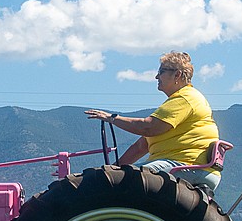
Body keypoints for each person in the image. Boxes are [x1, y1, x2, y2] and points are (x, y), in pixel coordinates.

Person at [85, 51, 221, 191]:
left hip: (186, 166)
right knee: (115, 178)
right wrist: (112, 170)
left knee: (123, 181)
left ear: (177, 75)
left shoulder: (184, 99)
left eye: (161, 71)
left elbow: (148, 127)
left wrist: (112, 118)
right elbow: (140, 147)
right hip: (187, 167)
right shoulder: (178, 103)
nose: (157, 76)